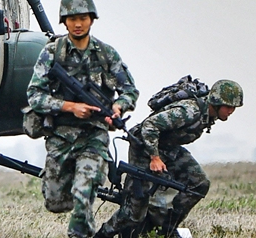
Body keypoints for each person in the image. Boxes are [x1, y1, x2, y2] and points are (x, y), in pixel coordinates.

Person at [26, 0, 139, 238]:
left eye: (83, 18)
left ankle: (79, 234)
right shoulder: (52, 53)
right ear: (64, 21)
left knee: (84, 191)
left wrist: (118, 107)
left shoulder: (106, 54)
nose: (78, 24)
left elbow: (130, 90)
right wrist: (69, 107)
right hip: (60, 136)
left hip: (93, 135)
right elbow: (34, 95)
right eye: (72, 18)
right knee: (55, 200)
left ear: (92, 19)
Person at [96, 79, 244, 238]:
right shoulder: (189, 111)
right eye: (228, 107)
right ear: (216, 102)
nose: (231, 111)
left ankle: (165, 229)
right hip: (145, 148)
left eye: (234, 108)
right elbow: (150, 126)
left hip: (169, 149)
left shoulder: (207, 114)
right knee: (133, 212)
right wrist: (154, 158)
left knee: (199, 183)